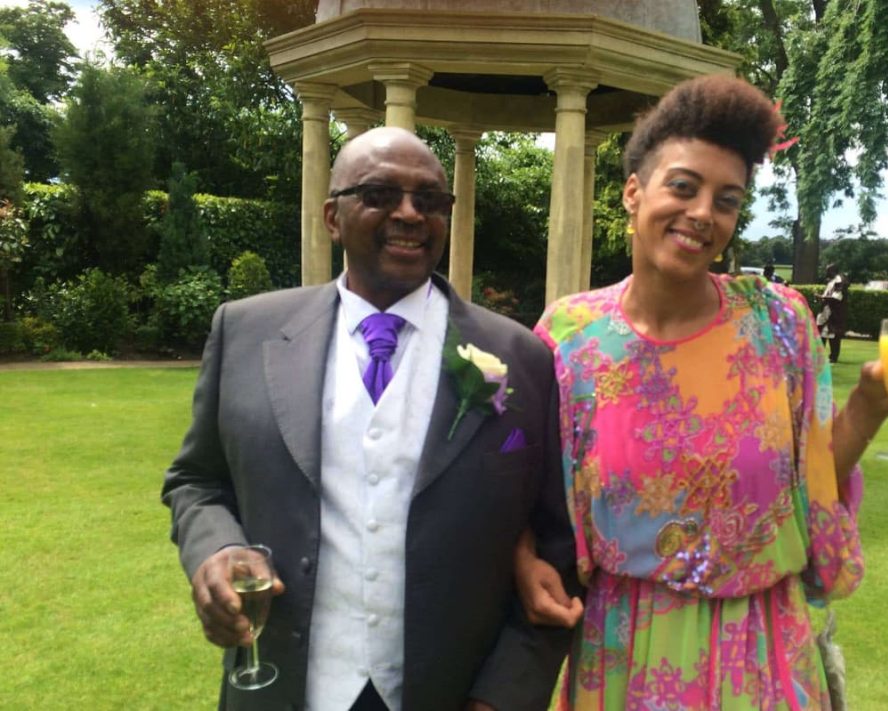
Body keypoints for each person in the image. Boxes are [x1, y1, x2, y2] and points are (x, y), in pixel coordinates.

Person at [514, 75, 888, 710]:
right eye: (683, 187)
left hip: (761, 649)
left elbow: (815, 484)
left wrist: (869, 405)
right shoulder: (570, 338)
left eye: (726, 200)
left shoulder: (778, 323)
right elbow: (523, 486)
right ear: (633, 191)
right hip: (622, 651)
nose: (703, 213)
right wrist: (522, 556)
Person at [162, 127, 577, 711]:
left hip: (451, 692)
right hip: (285, 686)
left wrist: (502, 696)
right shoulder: (245, 332)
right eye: (380, 194)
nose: (409, 214)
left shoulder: (519, 358)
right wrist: (214, 550)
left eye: (430, 200)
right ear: (332, 218)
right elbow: (196, 481)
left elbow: (558, 544)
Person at [817, 264, 848, 363]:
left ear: (833, 271)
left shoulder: (840, 280)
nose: (826, 273)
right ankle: (819, 356)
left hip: (834, 311)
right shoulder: (831, 281)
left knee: (833, 333)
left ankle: (833, 357)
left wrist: (822, 297)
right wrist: (821, 297)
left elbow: (837, 297)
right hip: (825, 309)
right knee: (821, 332)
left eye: (828, 271)